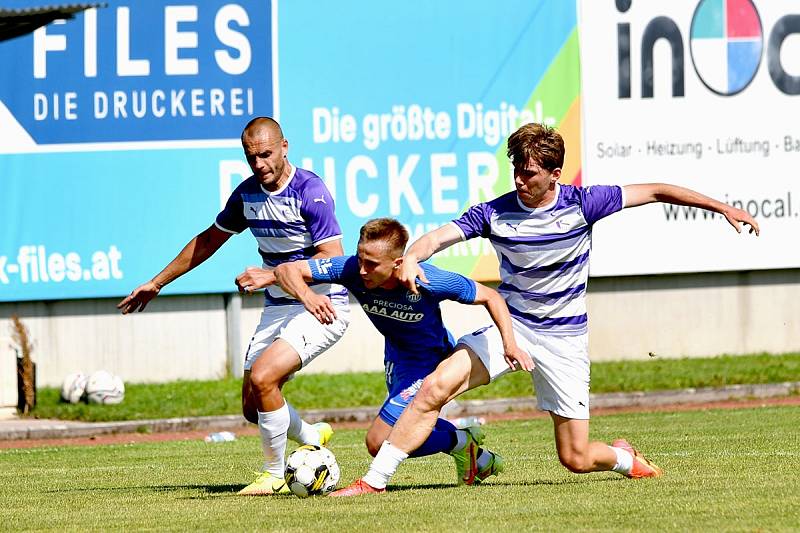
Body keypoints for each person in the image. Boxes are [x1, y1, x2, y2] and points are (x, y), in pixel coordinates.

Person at [331, 122, 761, 496]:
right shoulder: (493, 213)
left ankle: (624, 458)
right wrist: (412, 257)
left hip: (564, 341)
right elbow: (437, 239)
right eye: (516, 169)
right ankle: (374, 480)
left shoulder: (584, 203)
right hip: (511, 328)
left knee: (575, 457)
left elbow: (654, 190)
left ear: (554, 174)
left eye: (530, 173)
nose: (520, 179)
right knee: (434, 388)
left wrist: (722, 207)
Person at [117, 117, 350, 495]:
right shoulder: (246, 195)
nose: (259, 164)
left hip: (320, 305)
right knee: (252, 407)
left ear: (285, 146)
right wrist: (157, 283)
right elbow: (208, 240)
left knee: (264, 377)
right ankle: (312, 435)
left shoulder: (311, 191)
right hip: (279, 306)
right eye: (251, 157)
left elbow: (333, 259)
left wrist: (270, 275)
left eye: (266, 154)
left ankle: (273, 475)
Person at [240, 217, 532, 489]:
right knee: (402, 428)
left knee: (378, 441)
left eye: (372, 264)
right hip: (397, 358)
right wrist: (306, 295)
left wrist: (510, 343)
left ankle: (460, 443)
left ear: (397, 263)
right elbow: (288, 270)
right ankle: (470, 451)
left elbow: (491, 296)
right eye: (360, 259)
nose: (363, 270)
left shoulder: (428, 279)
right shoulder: (352, 269)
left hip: (429, 362)